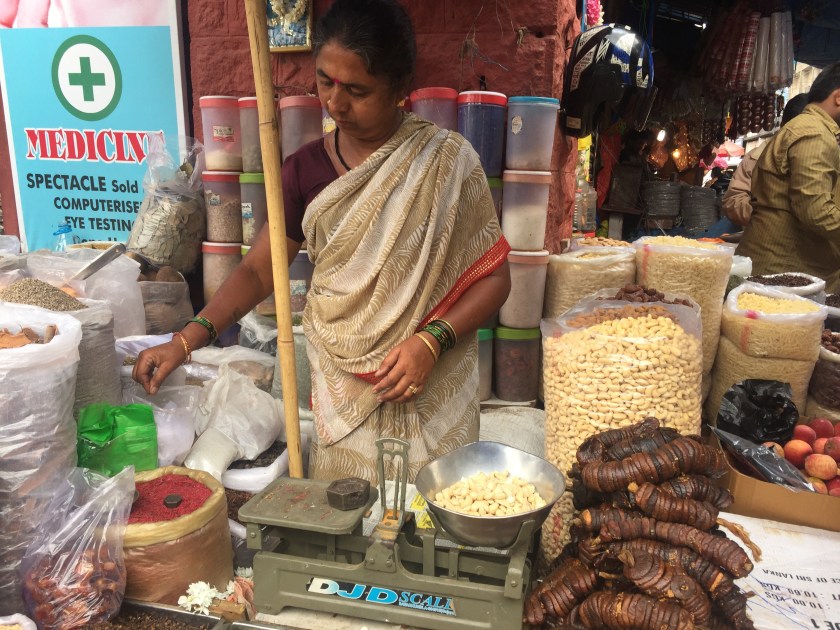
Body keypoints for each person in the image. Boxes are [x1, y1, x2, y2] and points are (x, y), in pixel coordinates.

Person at [133, 0, 512, 483]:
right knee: (344, 511)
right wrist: (184, 341)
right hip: (343, 386)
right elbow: (258, 270)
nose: (335, 103)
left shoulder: (447, 162)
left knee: (436, 512)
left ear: (400, 88)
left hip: (429, 387)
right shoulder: (303, 170)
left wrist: (432, 341)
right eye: (325, 81)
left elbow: (495, 279)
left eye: (357, 90)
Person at [736, 62, 840, 292]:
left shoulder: (807, 128)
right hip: (784, 273)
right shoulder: (815, 133)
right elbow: (816, 211)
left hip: (782, 271)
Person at [721, 94, 808, 227]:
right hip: (764, 233)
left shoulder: (828, 158)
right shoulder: (756, 157)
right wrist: (769, 216)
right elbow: (733, 201)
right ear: (784, 127)